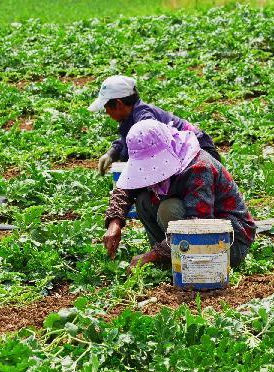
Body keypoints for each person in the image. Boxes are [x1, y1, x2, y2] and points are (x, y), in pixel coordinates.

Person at [103, 119, 257, 269]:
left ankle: (183, 259)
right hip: (201, 229)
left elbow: (197, 225)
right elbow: (126, 187)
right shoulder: (170, 152)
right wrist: (114, 222)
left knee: (169, 209)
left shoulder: (199, 168)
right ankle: (172, 256)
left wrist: (151, 256)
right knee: (144, 200)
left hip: (229, 241)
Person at [89, 75, 223, 175]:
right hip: (186, 154)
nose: (106, 112)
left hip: (202, 154)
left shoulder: (145, 121)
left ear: (118, 104)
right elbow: (126, 141)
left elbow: (148, 152)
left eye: (107, 107)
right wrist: (112, 154)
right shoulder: (129, 117)